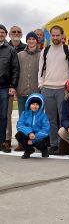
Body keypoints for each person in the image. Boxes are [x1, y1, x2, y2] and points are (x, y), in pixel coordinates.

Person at [38, 25, 69, 155]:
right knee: (51, 120)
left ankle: (64, 145)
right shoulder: (45, 50)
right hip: (47, 89)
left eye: (57, 35)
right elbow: (41, 70)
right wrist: (41, 85)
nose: (55, 38)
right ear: (50, 36)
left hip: (63, 89)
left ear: (62, 36)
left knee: (63, 118)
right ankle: (54, 144)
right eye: (53, 35)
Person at [16, 32, 41, 152]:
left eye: (33, 39)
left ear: (37, 41)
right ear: (27, 41)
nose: (31, 41)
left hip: (35, 92)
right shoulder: (20, 55)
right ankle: (22, 142)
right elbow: (15, 71)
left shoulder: (42, 55)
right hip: (22, 91)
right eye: (29, 39)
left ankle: (35, 142)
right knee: (23, 118)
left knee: (36, 119)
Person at [5, 25, 26, 149]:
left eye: (19, 31)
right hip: (9, 85)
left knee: (23, 114)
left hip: (23, 84)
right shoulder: (5, 48)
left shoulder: (27, 47)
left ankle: (22, 141)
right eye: (14, 31)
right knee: (7, 114)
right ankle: (7, 139)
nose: (16, 33)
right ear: (9, 34)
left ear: (21, 34)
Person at [0, 24, 19, 153]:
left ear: (6, 34)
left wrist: (13, 85)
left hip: (4, 87)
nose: (0, 34)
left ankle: (3, 142)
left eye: (2, 32)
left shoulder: (11, 50)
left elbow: (15, 69)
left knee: (3, 116)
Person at [15, 93, 50, 159]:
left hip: (39, 136)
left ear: (40, 105)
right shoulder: (25, 113)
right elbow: (19, 125)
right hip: (29, 134)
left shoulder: (43, 115)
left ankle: (44, 149)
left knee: (41, 141)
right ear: (29, 104)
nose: (35, 106)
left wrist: (34, 138)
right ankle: (28, 150)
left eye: (37, 104)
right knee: (18, 135)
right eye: (33, 104)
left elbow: (46, 129)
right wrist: (29, 133)